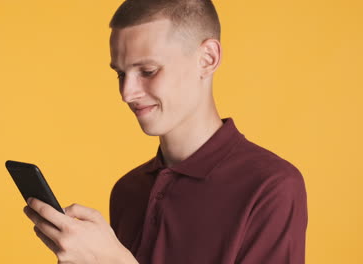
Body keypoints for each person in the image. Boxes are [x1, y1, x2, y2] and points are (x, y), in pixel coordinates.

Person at [23, 0, 308, 263]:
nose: (127, 93)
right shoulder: (127, 191)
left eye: (147, 71)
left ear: (207, 58)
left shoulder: (271, 186)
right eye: (120, 74)